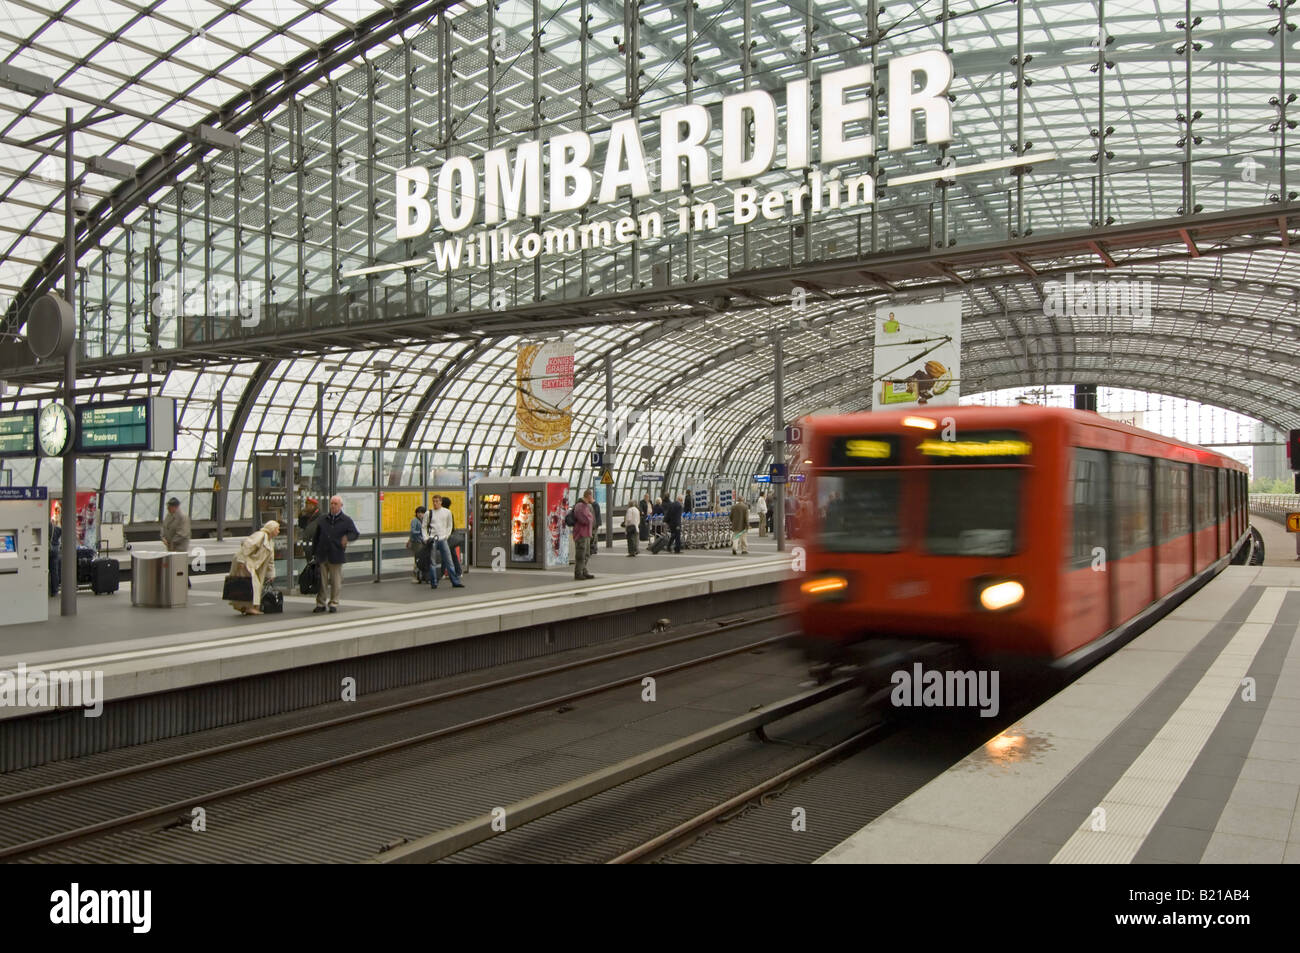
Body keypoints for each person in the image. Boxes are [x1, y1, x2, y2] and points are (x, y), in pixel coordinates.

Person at [310, 495, 359, 613]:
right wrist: (314, 553)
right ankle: (320, 603)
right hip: (322, 554)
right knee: (322, 581)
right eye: (332, 503)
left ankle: (334, 603)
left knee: (336, 581)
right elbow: (316, 537)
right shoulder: (323, 519)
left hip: (336, 554)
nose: (333, 506)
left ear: (341, 506)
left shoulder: (346, 520)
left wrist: (346, 537)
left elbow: (355, 533)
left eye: (335, 504)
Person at [228, 521, 280, 615]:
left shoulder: (270, 543)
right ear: (272, 529)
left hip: (250, 563)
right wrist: (241, 560)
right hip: (245, 562)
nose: (279, 531)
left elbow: (270, 562)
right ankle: (249, 607)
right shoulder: (260, 535)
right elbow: (247, 545)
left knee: (245, 585)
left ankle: (246, 607)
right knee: (252, 584)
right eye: (277, 529)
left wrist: (271, 574)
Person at [421, 494, 464, 590]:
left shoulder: (447, 512)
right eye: (434, 501)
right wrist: (426, 538)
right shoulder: (429, 513)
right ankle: (434, 582)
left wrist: (446, 535)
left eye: (437, 501)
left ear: (441, 502)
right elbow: (424, 526)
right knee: (432, 562)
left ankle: (455, 581)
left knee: (449, 561)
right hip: (432, 539)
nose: (435, 503)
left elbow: (450, 525)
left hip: (443, 538)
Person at [161, 496, 192, 588]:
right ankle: (177, 581)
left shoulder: (183, 517)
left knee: (179, 564)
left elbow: (183, 533)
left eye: (169, 506)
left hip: (180, 546)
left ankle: (185, 582)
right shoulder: (169, 515)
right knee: (173, 564)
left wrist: (172, 542)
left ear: (175, 507)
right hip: (170, 545)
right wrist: (163, 537)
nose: (167, 508)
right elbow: (164, 527)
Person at [572, 489, 595, 580]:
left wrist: (589, 518)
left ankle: (584, 571)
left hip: (586, 534)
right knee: (581, 554)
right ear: (588, 496)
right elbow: (585, 520)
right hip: (581, 534)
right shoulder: (580, 506)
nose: (592, 498)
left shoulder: (586, 506)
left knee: (586, 554)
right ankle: (578, 573)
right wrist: (590, 518)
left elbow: (589, 518)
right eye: (591, 496)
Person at [409, 505, 427, 582]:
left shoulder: (424, 520)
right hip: (417, 542)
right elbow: (413, 531)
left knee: (422, 559)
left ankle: (422, 575)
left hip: (423, 542)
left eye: (422, 513)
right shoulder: (415, 520)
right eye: (418, 512)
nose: (420, 514)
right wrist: (421, 532)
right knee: (417, 560)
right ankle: (415, 576)